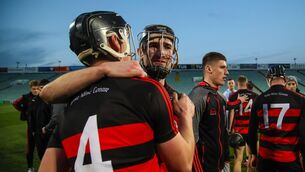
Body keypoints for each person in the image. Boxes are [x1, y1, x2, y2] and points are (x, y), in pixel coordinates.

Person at [39, 11, 195, 172]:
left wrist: (102, 69)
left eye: (168, 47)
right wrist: (185, 117)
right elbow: (183, 166)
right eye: (153, 45)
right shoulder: (148, 92)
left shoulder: (69, 106)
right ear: (115, 41)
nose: (161, 53)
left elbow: (46, 93)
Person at [248, 65, 305, 172]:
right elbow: (303, 133)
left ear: (268, 79)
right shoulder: (300, 99)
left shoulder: (259, 99)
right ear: (284, 79)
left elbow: (251, 131)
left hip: (265, 158)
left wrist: (254, 154)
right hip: (290, 157)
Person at [189, 52, 230, 172]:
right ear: (209, 69)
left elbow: (224, 132)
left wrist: (226, 160)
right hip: (204, 167)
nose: (226, 72)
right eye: (222, 67)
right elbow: (191, 139)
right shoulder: (197, 96)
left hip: (222, 164)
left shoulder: (221, 98)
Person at [228, 75, 258, 172]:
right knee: (250, 156)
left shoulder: (233, 95)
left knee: (238, 159)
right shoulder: (254, 95)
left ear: (237, 83)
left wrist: (229, 128)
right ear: (246, 83)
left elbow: (231, 112)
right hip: (251, 130)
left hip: (238, 130)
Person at [12, 80, 40, 172]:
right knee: (30, 149)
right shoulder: (26, 97)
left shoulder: (43, 95)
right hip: (31, 127)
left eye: (37, 88)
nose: (36, 90)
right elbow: (15, 103)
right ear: (30, 88)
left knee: (43, 148)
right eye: (33, 89)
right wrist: (24, 110)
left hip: (42, 127)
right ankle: (30, 167)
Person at [27, 79, 56, 161]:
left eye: (43, 88)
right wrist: (33, 130)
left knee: (52, 156)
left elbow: (55, 118)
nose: (40, 90)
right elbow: (30, 117)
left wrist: (49, 129)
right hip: (38, 134)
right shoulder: (34, 100)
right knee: (41, 155)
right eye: (40, 88)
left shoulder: (53, 100)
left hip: (50, 133)